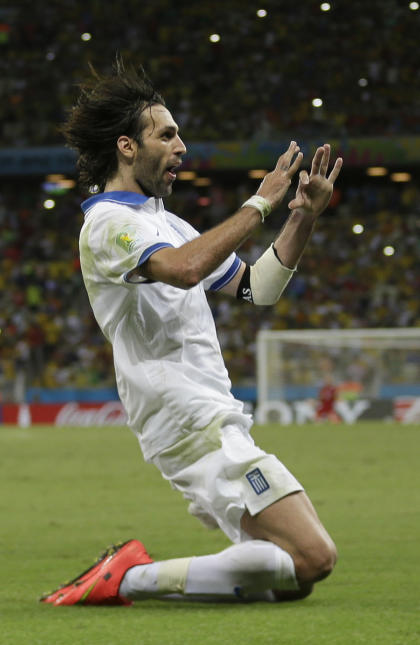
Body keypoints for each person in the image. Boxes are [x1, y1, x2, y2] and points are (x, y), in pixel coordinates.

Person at [41, 58, 343, 607]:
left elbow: (258, 288)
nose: (181, 146)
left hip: (205, 411)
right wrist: (260, 201)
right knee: (315, 556)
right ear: (127, 146)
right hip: (186, 415)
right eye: (167, 134)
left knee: (290, 572)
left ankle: (130, 579)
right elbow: (183, 270)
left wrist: (302, 216)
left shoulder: (168, 222)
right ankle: (124, 578)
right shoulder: (109, 222)